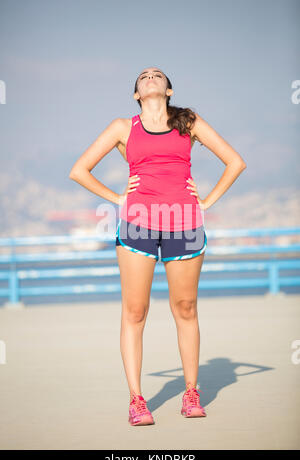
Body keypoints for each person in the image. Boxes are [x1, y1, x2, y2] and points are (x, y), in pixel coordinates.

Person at [69, 66, 247, 426]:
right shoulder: (123, 127)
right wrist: (117, 197)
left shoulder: (189, 122)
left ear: (168, 89)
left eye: (158, 75)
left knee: (185, 307)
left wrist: (207, 201)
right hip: (137, 225)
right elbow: (79, 170)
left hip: (185, 223)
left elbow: (235, 161)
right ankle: (137, 400)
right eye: (143, 76)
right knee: (135, 311)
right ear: (137, 93)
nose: (150, 77)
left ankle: (191, 392)